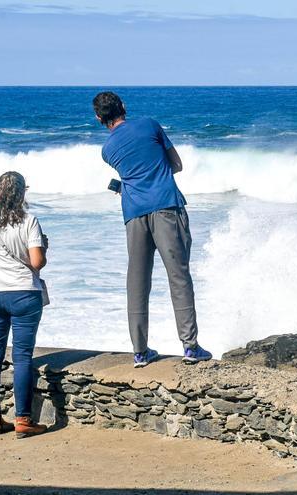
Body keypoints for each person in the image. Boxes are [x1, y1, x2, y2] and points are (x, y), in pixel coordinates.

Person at [93, 91, 212, 368]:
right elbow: (176, 165)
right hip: (166, 207)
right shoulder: (149, 124)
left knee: (137, 282)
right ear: (123, 106)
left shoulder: (107, 150)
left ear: (99, 118)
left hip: (134, 215)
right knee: (178, 276)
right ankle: (190, 346)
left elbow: (133, 177)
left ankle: (140, 352)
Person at [0, 172, 48, 438]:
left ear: (1, 192)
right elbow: (37, 262)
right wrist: (45, 250)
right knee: (21, 357)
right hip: (23, 296)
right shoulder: (29, 221)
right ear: (21, 194)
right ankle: (23, 420)